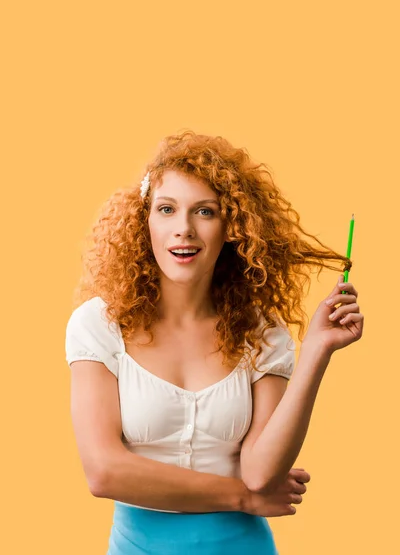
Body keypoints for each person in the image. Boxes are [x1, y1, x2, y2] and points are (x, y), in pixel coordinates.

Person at [65, 130, 364, 554]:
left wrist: (316, 350)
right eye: (167, 209)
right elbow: (103, 472)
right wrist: (240, 497)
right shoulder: (98, 325)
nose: (183, 229)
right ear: (144, 220)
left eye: (205, 211)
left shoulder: (262, 331)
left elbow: (260, 473)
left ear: (231, 228)